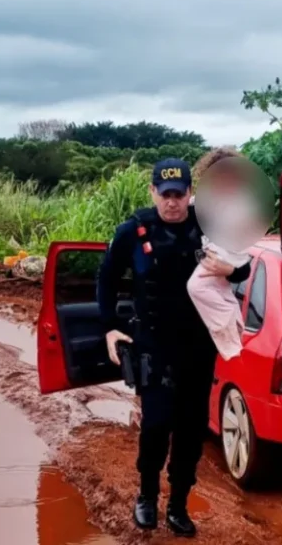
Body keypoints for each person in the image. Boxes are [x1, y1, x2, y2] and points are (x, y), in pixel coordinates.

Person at [96, 158, 251, 538]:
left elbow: (244, 267)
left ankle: (179, 505)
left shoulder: (209, 226)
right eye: (165, 195)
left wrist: (229, 271)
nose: (172, 202)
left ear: (189, 193)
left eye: (179, 194)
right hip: (153, 345)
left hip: (198, 348)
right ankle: (147, 495)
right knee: (156, 424)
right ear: (153, 192)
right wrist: (111, 328)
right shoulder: (134, 231)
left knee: (191, 429)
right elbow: (107, 278)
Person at [187, 152, 264, 361]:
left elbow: (244, 269)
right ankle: (232, 324)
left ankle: (230, 327)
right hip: (181, 324)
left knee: (197, 286)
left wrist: (228, 270)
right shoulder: (192, 210)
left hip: (204, 332)